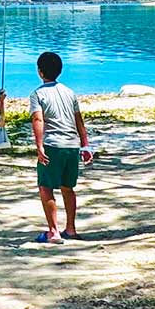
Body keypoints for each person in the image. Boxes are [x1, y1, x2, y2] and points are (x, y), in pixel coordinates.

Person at [30, 51, 89, 244]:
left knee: (45, 187)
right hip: (72, 146)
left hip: (52, 144)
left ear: (40, 72)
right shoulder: (69, 92)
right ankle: (70, 229)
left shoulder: (38, 94)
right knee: (68, 188)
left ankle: (53, 232)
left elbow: (38, 119)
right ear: (60, 71)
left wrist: (39, 146)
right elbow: (79, 121)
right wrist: (85, 145)